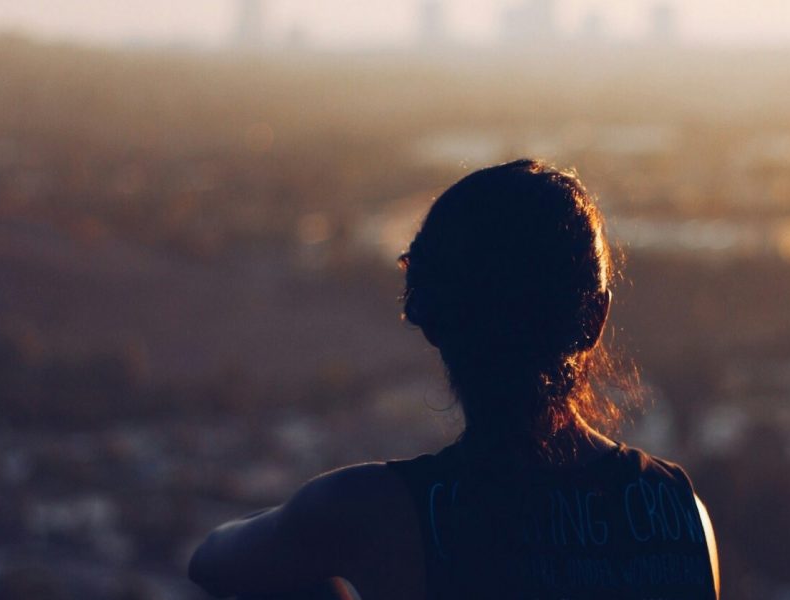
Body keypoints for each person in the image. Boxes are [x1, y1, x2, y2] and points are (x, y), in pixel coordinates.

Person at [189, 159, 720, 600]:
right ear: (594, 321)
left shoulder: (374, 512)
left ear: (432, 320)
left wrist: (317, 534)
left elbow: (211, 559)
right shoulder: (678, 513)